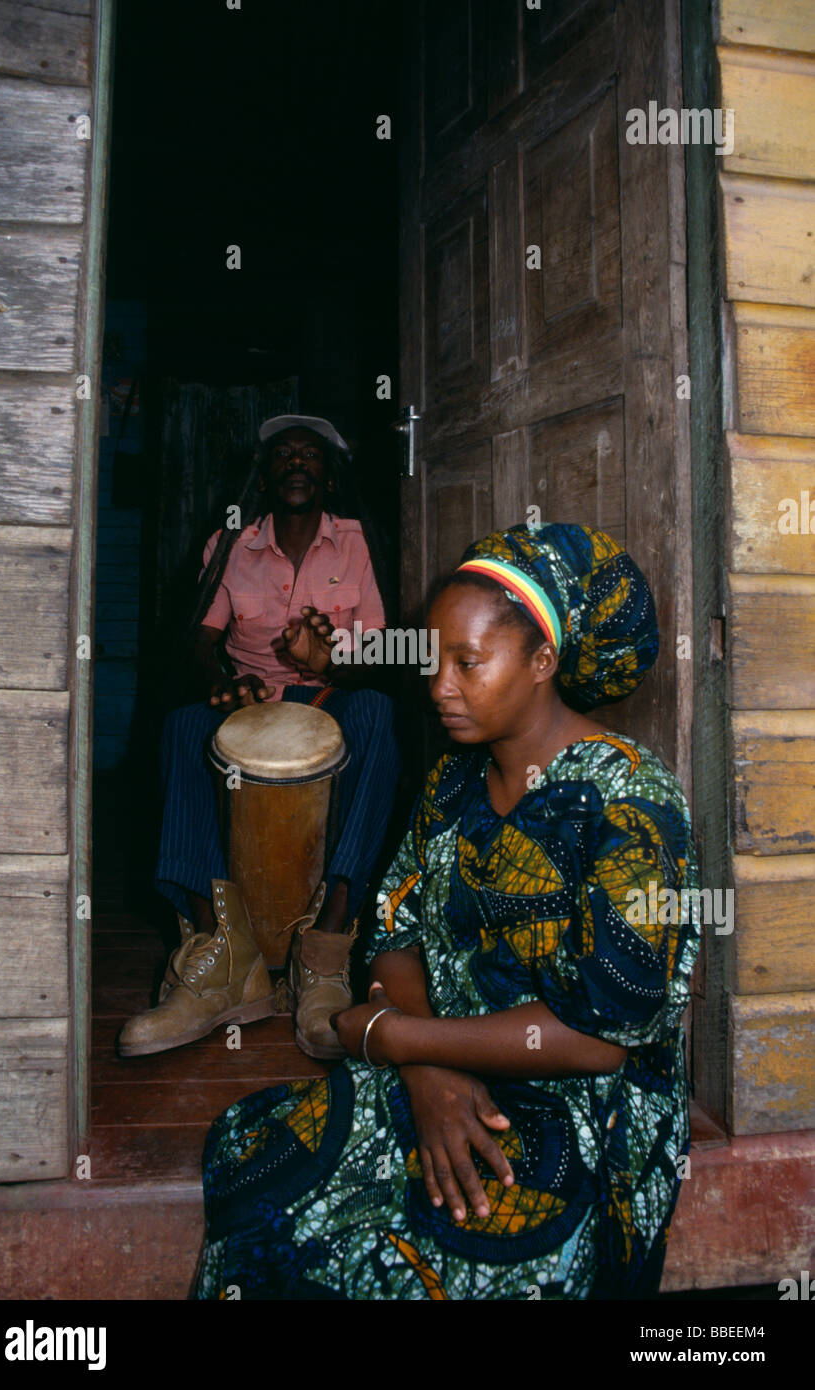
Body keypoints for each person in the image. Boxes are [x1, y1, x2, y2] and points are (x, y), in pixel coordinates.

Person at [193, 521, 702, 1301]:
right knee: (256, 1162)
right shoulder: (453, 784)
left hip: (578, 1106)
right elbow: (394, 928)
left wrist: (398, 1037)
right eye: (435, 662)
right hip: (441, 1061)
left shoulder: (633, 804)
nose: (440, 687)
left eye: (469, 663)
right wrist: (427, 1066)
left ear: (543, 662)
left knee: (455, 1249)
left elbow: (602, 1038)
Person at [118, 415, 400, 1061]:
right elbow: (200, 640)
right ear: (265, 474)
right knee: (184, 726)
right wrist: (225, 680)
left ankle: (325, 951)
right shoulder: (231, 545)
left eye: (310, 455)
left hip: (326, 699)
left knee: (379, 713)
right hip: (250, 701)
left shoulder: (355, 542)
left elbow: (382, 649)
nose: (297, 463)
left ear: (328, 476)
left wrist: (332, 664)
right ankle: (221, 954)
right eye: (283, 455)